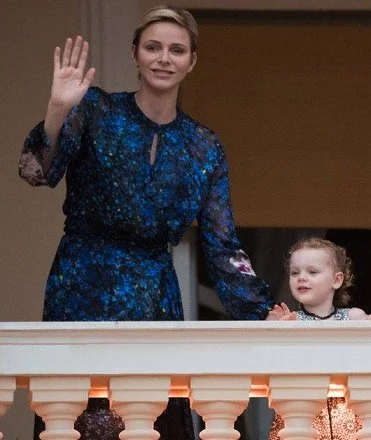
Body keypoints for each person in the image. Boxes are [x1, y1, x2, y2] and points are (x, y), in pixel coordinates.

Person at [18, 6, 275, 440]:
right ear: (135, 52)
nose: (163, 58)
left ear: (191, 61)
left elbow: (223, 246)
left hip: (154, 297)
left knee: (151, 421)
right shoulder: (96, 110)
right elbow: (37, 171)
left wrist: (266, 314)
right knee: (77, 415)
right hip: (82, 286)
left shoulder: (204, 147)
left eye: (177, 50)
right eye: (153, 47)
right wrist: (58, 109)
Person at [268, 237, 371, 440]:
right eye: (295, 272)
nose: (301, 277)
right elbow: (266, 354)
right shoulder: (289, 319)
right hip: (300, 409)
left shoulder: (353, 316)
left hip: (345, 408)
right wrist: (280, 330)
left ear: (336, 280)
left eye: (312, 272)